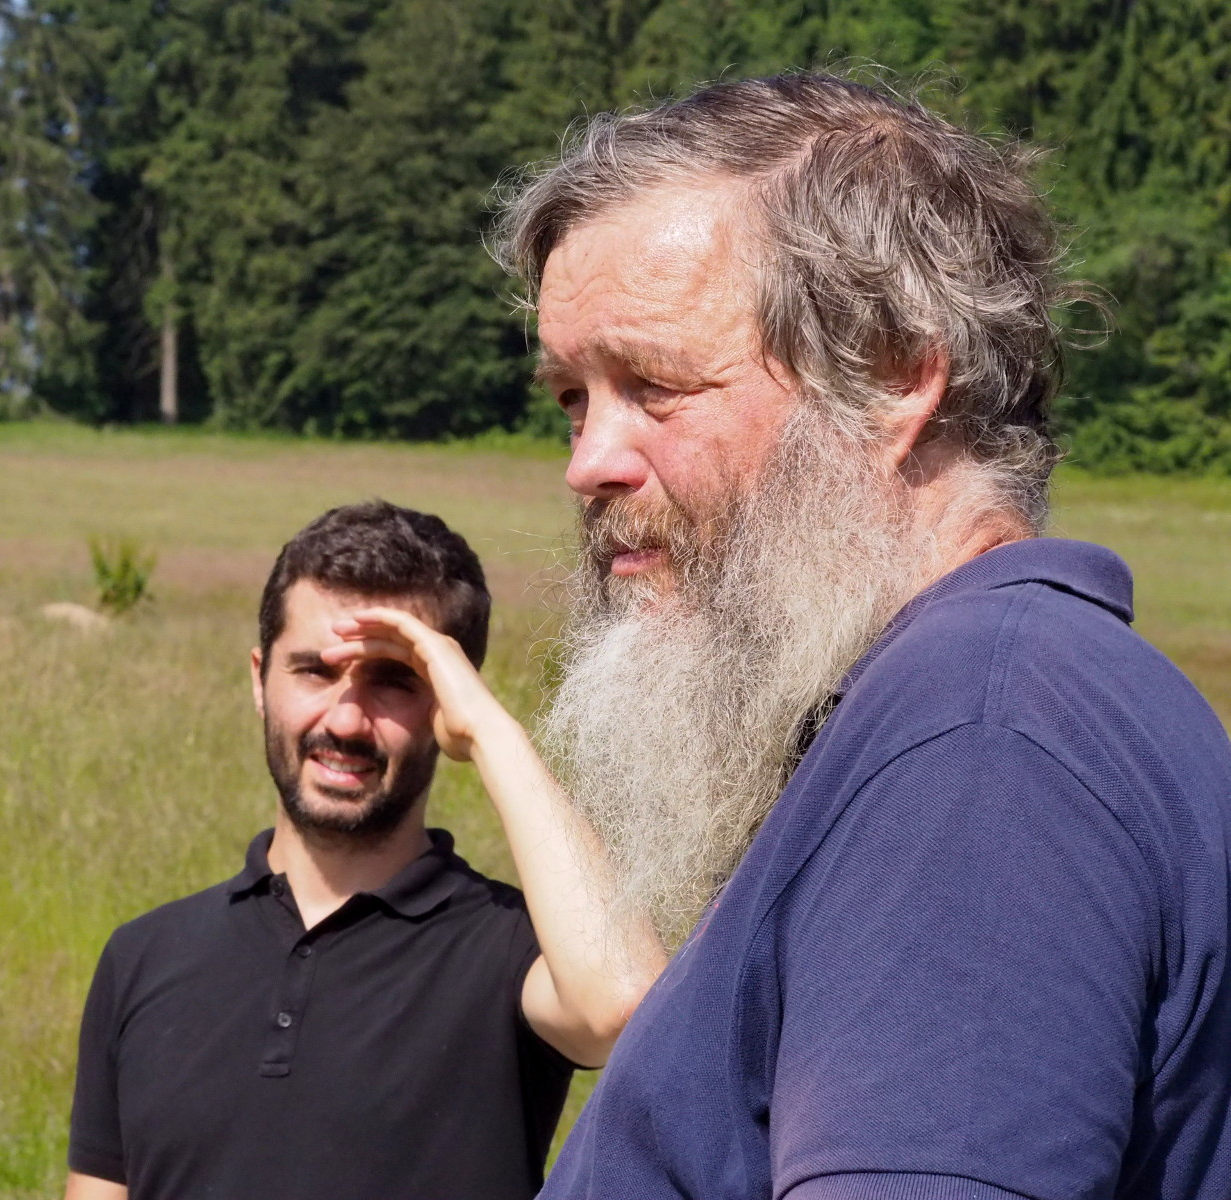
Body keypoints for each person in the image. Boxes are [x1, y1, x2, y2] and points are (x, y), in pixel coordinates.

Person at [489, 73, 1231, 1200]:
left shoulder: (984, 753)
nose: (587, 461)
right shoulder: (953, 711)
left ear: (892, 379)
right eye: (572, 400)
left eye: (653, 385)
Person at [62, 500, 664, 1200]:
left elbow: (622, 1008)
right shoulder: (144, 957)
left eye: (395, 680)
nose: (345, 720)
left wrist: (490, 733)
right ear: (259, 680)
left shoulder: (511, 953)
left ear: (449, 699)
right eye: (314, 671)